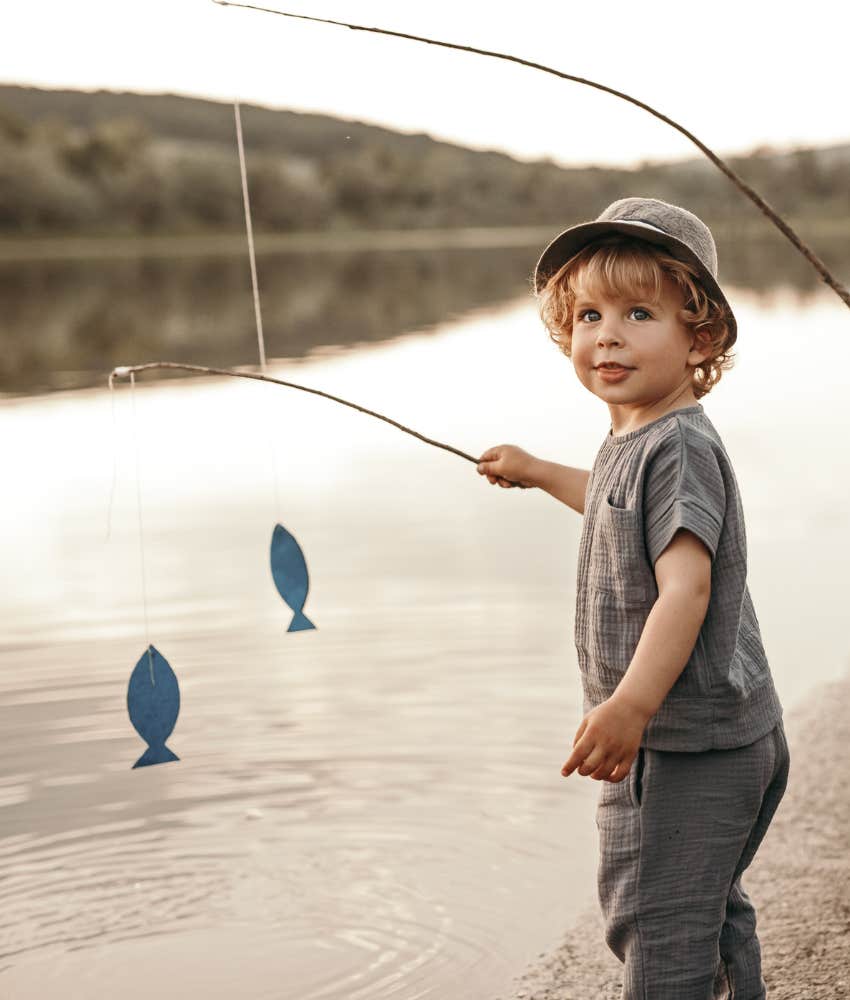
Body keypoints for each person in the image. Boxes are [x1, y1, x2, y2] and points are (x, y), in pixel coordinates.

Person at [476, 197, 790, 999]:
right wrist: (539, 471)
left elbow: (687, 587)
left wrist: (630, 707)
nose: (607, 335)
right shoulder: (641, 434)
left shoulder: (677, 445)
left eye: (638, 313)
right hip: (716, 733)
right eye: (589, 315)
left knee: (656, 924)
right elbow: (619, 506)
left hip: (683, 744)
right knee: (702, 912)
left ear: (701, 337)